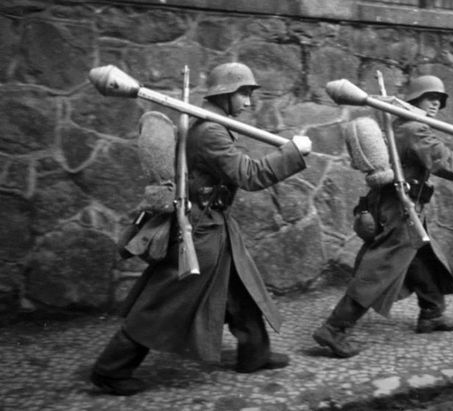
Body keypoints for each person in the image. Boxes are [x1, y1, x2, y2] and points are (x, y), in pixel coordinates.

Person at [90, 62, 312, 395]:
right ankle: (111, 369)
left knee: (241, 288)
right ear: (224, 93)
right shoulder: (210, 130)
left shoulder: (213, 123)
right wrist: (293, 152)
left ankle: (254, 353)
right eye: (244, 93)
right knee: (165, 302)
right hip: (201, 230)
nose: (249, 102)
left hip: (215, 223)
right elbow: (248, 175)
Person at [313, 74, 453, 358]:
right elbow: (451, 164)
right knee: (379, 270)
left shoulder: (400, 124)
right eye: (429, 97)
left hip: (398, 205)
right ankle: (333, 329)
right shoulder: (414, 130)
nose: (435, 104)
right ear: (414, 99)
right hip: (399, 210)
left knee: (423, 258)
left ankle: (431, 313)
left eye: (439, 100)